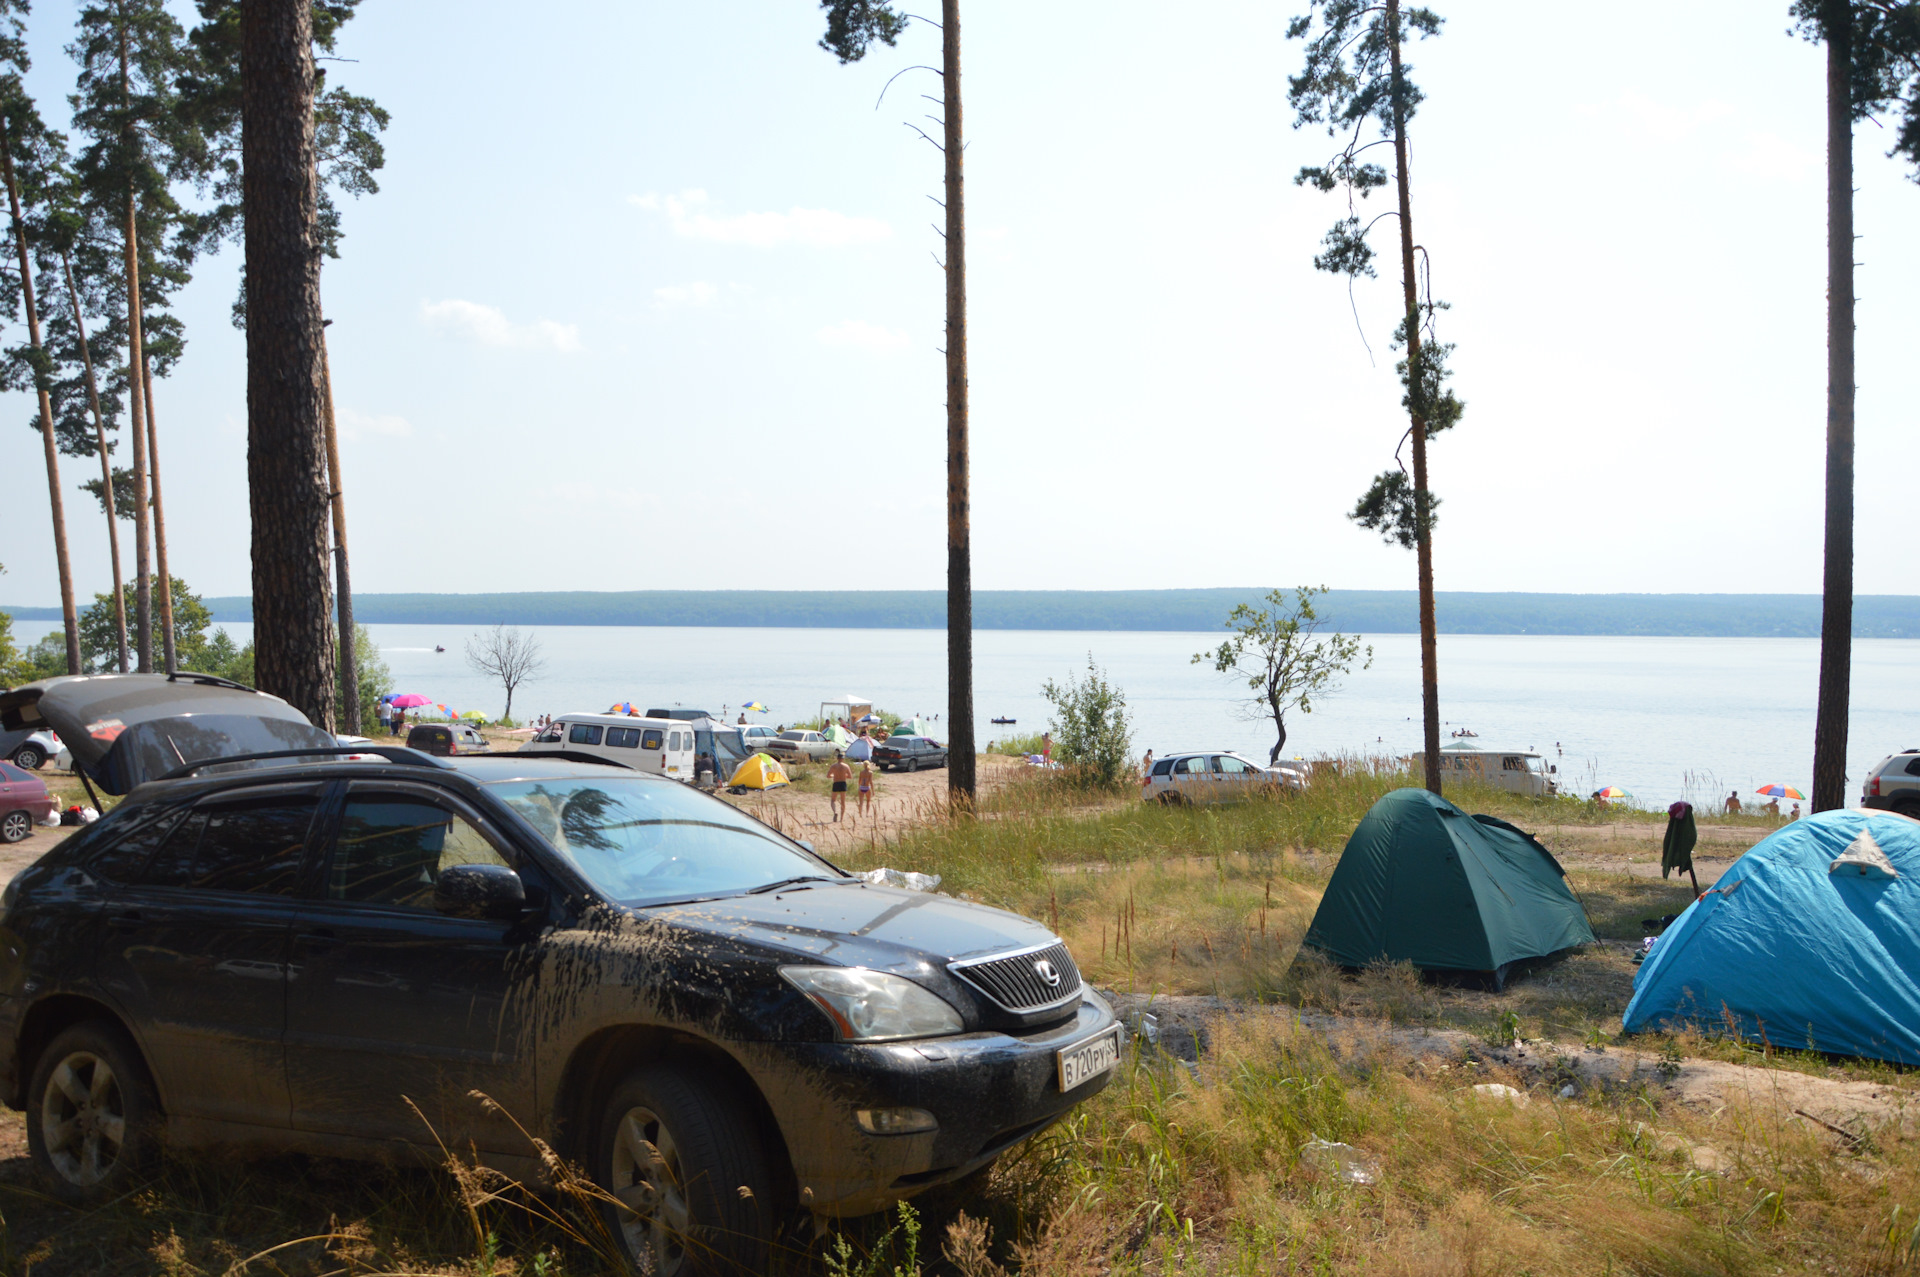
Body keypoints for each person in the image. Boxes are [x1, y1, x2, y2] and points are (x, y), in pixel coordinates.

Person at [828, 751, 852, 822]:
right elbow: (850, 776)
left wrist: (834, 775)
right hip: (843, 783)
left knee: (833, 800)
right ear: (843, 759)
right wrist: (844, 775)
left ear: (837, 758)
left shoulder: (833, 766)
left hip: (836, 783)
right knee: (843, 801)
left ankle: (835, 812)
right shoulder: (846, 766)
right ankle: (841, 818)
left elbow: (828, 775)